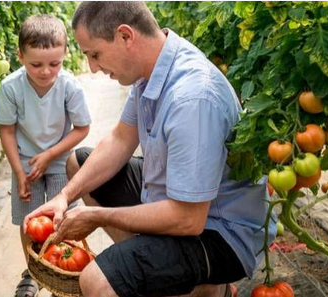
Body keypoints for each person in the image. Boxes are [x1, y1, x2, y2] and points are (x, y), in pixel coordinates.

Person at [23, 2, 275, 297]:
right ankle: (168, 280)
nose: (92, 67)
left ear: (126, 36)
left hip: (221, 233)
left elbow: (188, 219)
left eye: (95, 54)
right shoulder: (152, 70)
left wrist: (99, 218)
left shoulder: (192, 99)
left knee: (97, 281)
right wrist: (64, 197)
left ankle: (206, 287)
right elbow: (119, 140)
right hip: (180, 199)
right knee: (78, 165)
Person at [0, 14, 92, 297]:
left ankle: (67, 270)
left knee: (66, 218)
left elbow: (82, 128)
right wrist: (19, 172)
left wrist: (50, 154)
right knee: (30, 221)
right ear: (20, 56)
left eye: (55, 64)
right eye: (35, 64)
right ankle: (34, 272)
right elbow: (8, 131)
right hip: (26, 164)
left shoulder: (69, 86)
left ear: (65, 55)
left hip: (61, 160)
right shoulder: (11, 87)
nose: (46, 71)